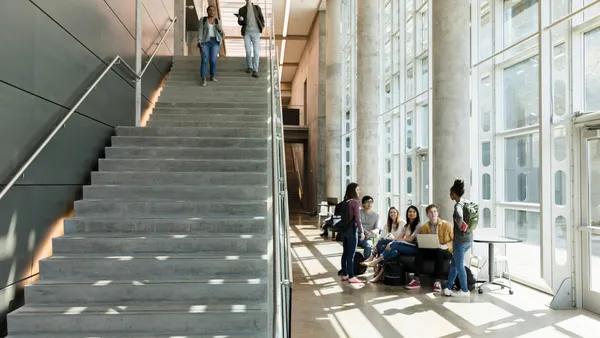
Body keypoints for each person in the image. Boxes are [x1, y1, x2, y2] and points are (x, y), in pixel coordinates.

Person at [366, 206, 422, 283]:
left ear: (417, 214)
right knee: (389, 249)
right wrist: (391, 242)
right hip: (404, 245)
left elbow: (410, 239)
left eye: (414, 212)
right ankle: (379, 275)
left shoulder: (418, 225)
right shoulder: (406, 225)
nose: (411, 213)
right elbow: (399, 237)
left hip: (414, 248)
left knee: (394, 245)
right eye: (410, 212)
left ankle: (376, 261)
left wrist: (396, 241)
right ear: (407, 213)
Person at [406, 204, 454, 292]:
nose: (433, 214)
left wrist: (445, 246)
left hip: (445, 251)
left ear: (438, 213)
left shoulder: (447, 225)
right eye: (430, 212)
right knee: (420, 250)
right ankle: (416, 280)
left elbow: (454, 240)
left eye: (435, 211)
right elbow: (424, 240)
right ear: (427, 215)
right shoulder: (425, 227)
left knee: (439, 251)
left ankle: (437, 281)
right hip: (432, 250)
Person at [444, 179, 473, 298]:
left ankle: (465, 290)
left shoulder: (457, 206)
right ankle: (448, 287)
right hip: (468, 239)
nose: (450, 195)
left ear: (453, 193)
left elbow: (460, 217)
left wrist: (461, 226)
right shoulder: (466, 202)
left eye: (450, 193)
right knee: (454, 264)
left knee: (459, 265)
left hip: (460, 241)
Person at [339, 182, 365, 284]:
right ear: (353, 191)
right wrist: (361, 232)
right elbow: (358, 219)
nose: (359, 192)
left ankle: (345, 274)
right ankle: (352, 276)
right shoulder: (355, 202)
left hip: (344, 231)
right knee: (351, 254)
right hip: (352, 230)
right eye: (357, 190)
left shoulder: (345, 202)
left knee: (345, 253)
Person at [197, 5, 224, 87]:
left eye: (213, 10)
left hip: (215, 42)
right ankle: (204, 78)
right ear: (207, 11)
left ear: (215, 12)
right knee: (204, 59)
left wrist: (219, 29)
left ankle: (212, 76)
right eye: (210, 10)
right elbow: (200, 30)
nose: (211, 12)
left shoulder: (217, 21)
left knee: (213, 60)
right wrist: (199, 40)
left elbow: (223, 34)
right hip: (205, 42)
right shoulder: (203, 19)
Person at [237, 0, 264, 78]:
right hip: (247, 33)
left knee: (256, 51)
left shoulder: (257, 8)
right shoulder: (241, 9)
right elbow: (240, 23)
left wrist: (262, 26)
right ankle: (250, 67)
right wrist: (240, 20)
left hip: (256, 32)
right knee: (248, 50)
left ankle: (255, 70)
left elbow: (261, 18)